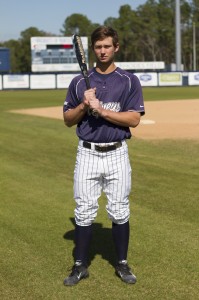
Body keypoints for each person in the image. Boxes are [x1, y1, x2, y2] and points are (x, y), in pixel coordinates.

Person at [63, 26, 145, 286]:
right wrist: (84, 105)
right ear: (92, 49)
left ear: (116, 47)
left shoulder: (129, 80)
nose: (102, 51)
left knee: (119, 210)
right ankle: (80, 265)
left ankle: (121, 263)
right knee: (84, 210)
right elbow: (67, 119)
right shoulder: (79, 82)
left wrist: (104, 111)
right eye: (98, 47)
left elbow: (134, 119)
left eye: (107, 46)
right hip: (87, 153)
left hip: (117, 153)